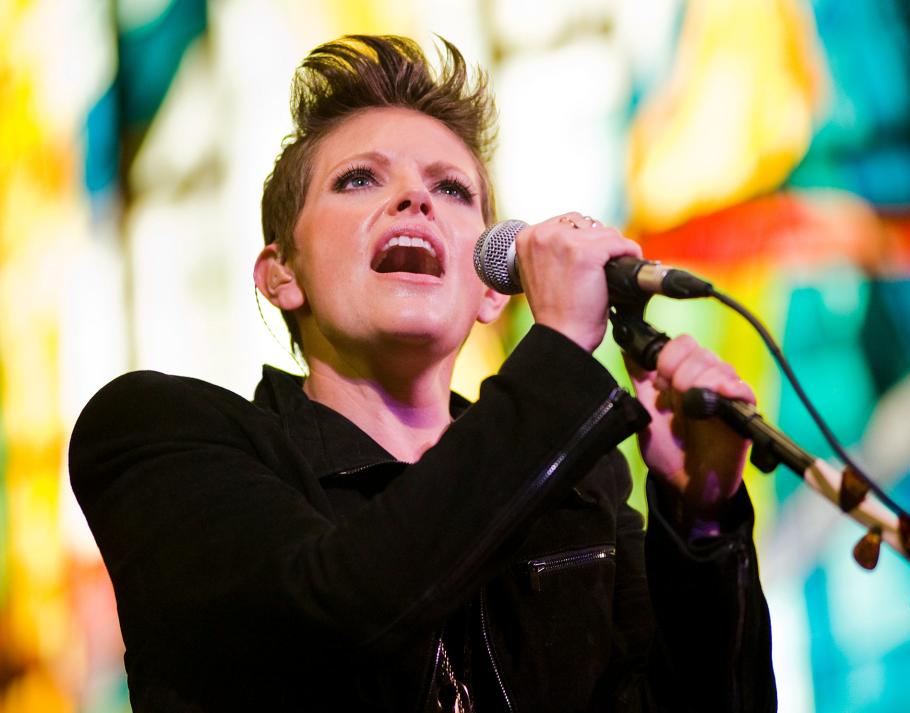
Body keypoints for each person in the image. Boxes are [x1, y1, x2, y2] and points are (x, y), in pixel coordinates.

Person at [69, 35, 776, 712]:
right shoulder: (158, 437)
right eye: (358, 178)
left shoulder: (577, 492)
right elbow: (335, 618)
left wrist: (700, 524)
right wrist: (557, 348)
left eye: (452, 189)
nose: (415, 200)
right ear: (281, 273)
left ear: (494, 289)